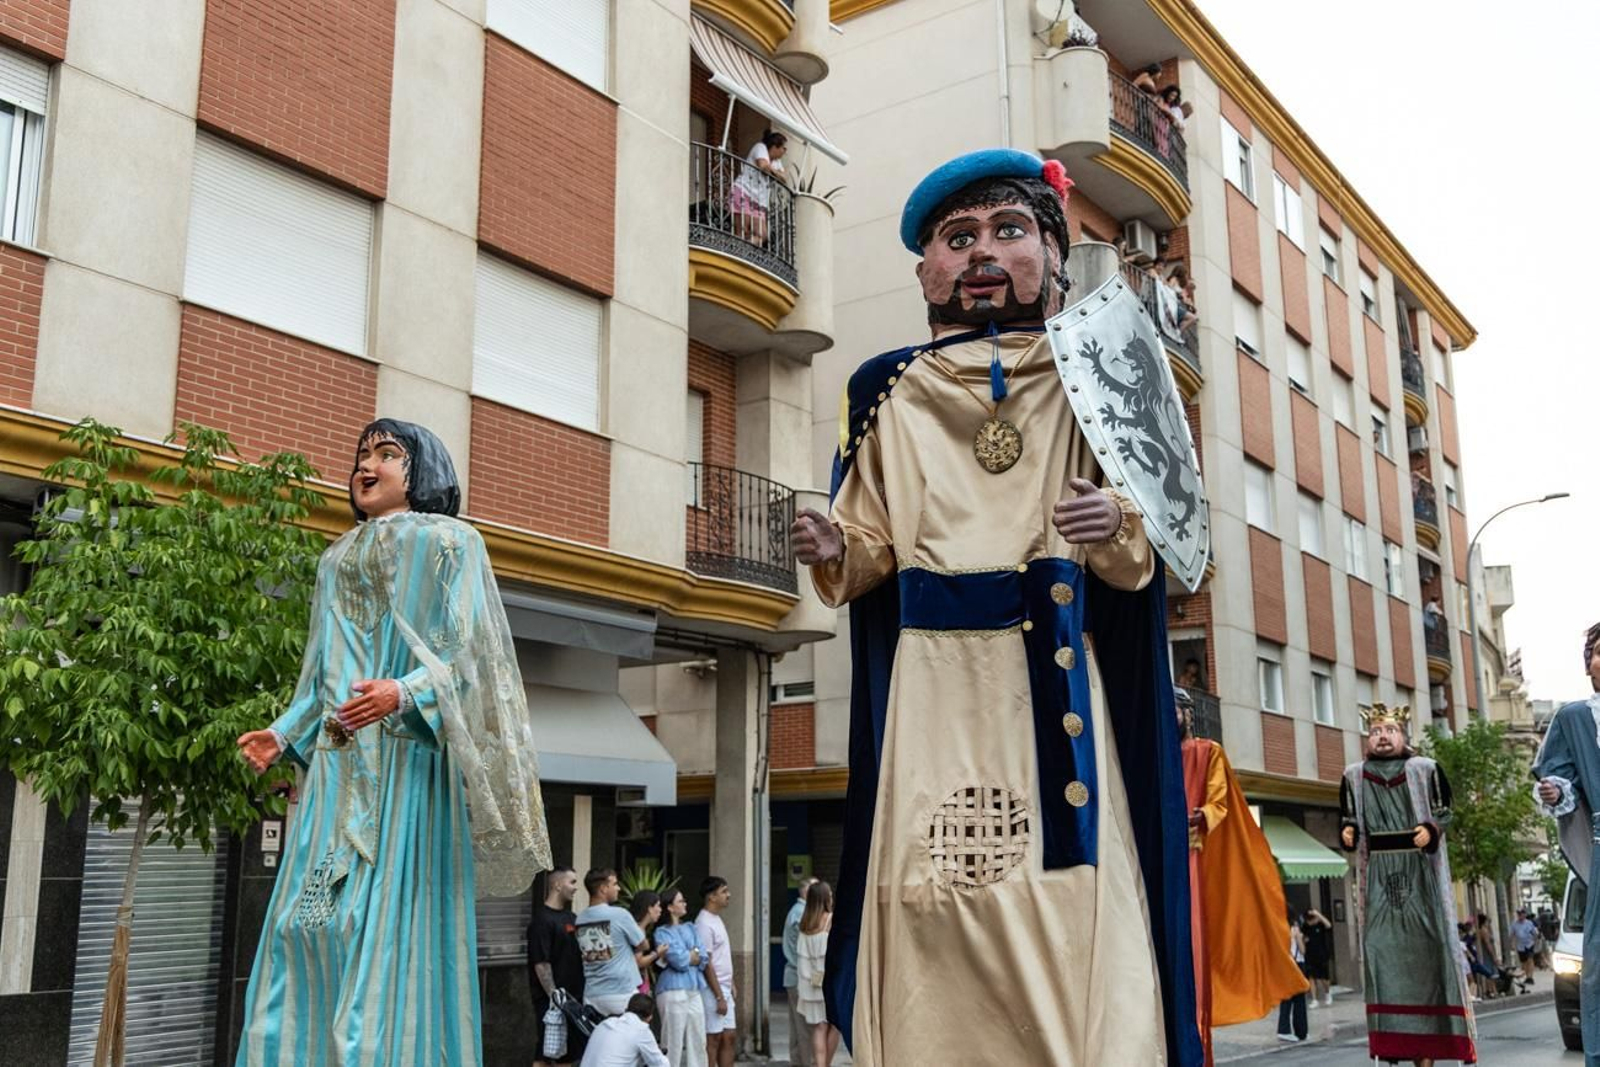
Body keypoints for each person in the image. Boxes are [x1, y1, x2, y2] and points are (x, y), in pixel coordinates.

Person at [790, 149, 1205, 1065]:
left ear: (1057, 257)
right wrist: (836, 549)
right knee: (927, 894)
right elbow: (871, 549)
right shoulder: (884, 390)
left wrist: (1112, 523)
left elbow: (1156, 548)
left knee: (1064, 896)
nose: (981, 252)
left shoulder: (1098, 370)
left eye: (1009, 231)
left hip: (1051, 678)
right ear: (925, 271)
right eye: (958, 237)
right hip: (932, 689)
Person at [234, 419, 552, 1066]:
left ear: (421, 472)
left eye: (387, 454)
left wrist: (405, 694)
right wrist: (284, 733)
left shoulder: (451, 543)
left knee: (378, 934)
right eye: (361, 454)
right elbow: (323, 670)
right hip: (335, 769)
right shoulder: (334, 557)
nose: (366, 464)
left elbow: (469, 657)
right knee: (303, 932)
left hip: (408, 767)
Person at [1340, 703, 1477, 1065]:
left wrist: (1431, 829)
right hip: (1379, 874)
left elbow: (1444, 808)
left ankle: (1428, 1048)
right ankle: (1395, 1044)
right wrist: (1349, 830)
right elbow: (1349, 815)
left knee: (1428, 950)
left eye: (1389, 731)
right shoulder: (1353, 776)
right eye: (1375, 732)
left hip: (1419, 871)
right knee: (1380, 951)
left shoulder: (1425, 769)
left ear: (1403, 735)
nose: (1382, 737)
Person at [1178, 687, 1307, 1065]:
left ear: (1189, 714)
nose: (1169, 716)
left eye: (1176, 709)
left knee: (1197, 955)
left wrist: (1201, 815)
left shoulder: (1208, 752)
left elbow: (1219, 803)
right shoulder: (1152, 753)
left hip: (1193, 857)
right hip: (1160, 861)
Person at [1534, 620, 1600, 1065]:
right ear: (1588, 666)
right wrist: (1556, 790)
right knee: (1596, 969)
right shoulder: (1575, 718)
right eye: (1598, 650)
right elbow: (1559, 773)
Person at [653, 887, 717, 1067]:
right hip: (672, 989)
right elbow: (678, 960)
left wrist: (689, 955)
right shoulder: (662, 932)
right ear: (670, 907)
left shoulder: (690, 927)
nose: (685, 903)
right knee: (672, 1041)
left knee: (698, 1039)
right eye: (680, 901)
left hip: (693, 988)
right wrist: (691, 955)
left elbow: (703, 957)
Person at [532, 867, 588, 1067]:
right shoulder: (542, 920)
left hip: (574, 998)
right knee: (546, 1052)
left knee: (568, 1054)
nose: (575, 888)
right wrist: (555, 998)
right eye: (572, 882)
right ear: (557, 884)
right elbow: (541, 963)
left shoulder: (571, 918)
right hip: (553, 1001)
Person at [576, 869, 650, 1017]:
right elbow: (643, 944)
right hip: (621, 992)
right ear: (603, 888)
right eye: (615, 884)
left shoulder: (580, 919)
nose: (619, 888)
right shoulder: (619, 914)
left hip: (592, 995)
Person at [693, 877, 736, 1067]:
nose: (728, 895)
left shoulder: (716, 919)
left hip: (725, 987)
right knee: (714, 1039)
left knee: (729, 1036)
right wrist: (719, 996)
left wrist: (731, 983)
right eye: (724, 891)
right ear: (712, 896)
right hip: (712, 990)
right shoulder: (703, 923)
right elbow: (706, 962)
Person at [797, 881, 838, 1067]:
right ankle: (826, 1064)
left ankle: (820, 1065)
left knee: (818, 1028)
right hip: (830, 981)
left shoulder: (805, 923)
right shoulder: (830, 920)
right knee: (835, 1026)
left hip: (811, 982)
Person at [730, 130, 789, 249]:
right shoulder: (760, 147)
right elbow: (763, 166)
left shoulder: (777, 162)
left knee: (762, 235)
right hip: (744, 192)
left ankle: (742, 248)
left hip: (759, 201)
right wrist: (774, 172)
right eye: (784, 148)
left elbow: (784, 178)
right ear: (775, 146)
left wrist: (771, 170)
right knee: (742, 230)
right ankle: (738, 250)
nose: (785, 152)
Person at [782, 877, 818, 1067]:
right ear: (806, 892)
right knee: (805, 1029)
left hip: (792, 977)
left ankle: (797, 1062)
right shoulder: (803, 914)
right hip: (800, 977)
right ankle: (806, 1063)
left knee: (797, 1029)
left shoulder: (796, 912)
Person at [579, 993, 669, 1067]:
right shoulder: (641, 1029)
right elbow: (661, 1064)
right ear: (650, 1017)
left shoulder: (605, 1023)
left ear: (627, 1009)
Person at [1275, 910, 1308, 1043]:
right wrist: (1298, 937)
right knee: (1295, 998)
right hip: (1296, 964)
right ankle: (1294, 1030)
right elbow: (1302, 950)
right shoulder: (1293, 930)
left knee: (1289, 998)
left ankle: (1294, 1031)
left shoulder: (1278, 928)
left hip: (1286, 965)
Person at [629, 891, 666, 995]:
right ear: (649, 908)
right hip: (635, 987)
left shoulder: (641, 929)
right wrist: (657, 953)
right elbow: (638, 962)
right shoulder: (637, 930)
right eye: (658, 906)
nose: (660, 910)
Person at [1300, 909, 1334, 1007]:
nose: (1311, 922)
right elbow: (1302, 937)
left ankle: (1327, 993)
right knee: (1311, 977)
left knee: (1324, 978)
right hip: (1310, 954)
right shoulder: (1305, 927)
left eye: (1313, 919)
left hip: (1322, 954)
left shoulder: (1320, 925)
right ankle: (1315, 999)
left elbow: (1329, 925)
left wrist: (1318, 914)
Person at [1510, 909, 1538, 990]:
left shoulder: (1529, 923)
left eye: (1521, 913)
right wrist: (1512, 944)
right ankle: (1527, 975)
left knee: (1530, 959)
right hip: (1520, 946)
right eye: (1518, 914)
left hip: (1529, 944)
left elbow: (1534, 933)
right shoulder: (1514, 924)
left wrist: (1535, 941)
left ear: (1524, 914)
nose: (1520, 915)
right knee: (1524, 962)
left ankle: (1530, 977)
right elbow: (1512, 935)